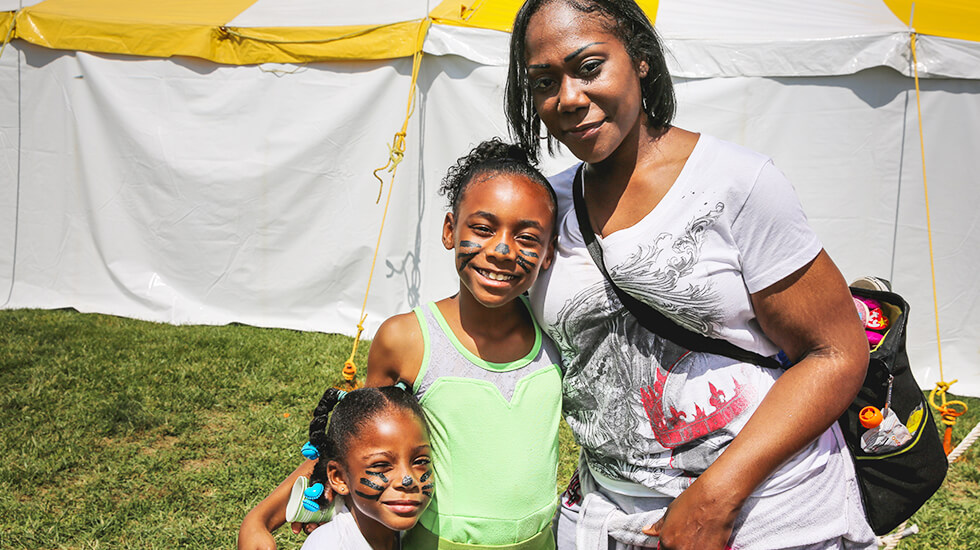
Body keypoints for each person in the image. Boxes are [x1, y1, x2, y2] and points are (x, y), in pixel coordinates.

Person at [505, 1, 876, 549]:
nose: (569, 98)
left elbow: (836, 352)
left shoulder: (735, 184)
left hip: (766, 517)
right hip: (610, 520)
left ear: (641, 59)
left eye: (589, 67)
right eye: (543, 82)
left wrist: (715, 498)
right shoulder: (546, 208)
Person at [238, 138, 564, 550]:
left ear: (549, 252)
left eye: (527, 237)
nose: (501, 250)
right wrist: (262, 516)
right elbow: (354, 438)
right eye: (482, 228)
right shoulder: (407, 339)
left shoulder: (555, 336)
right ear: (450, 231)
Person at [299, 385, 432, 550]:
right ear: (339, 477)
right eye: (381, 464)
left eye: (420, 461)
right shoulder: (329, 545)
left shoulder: (420, 531)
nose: (407, 480)